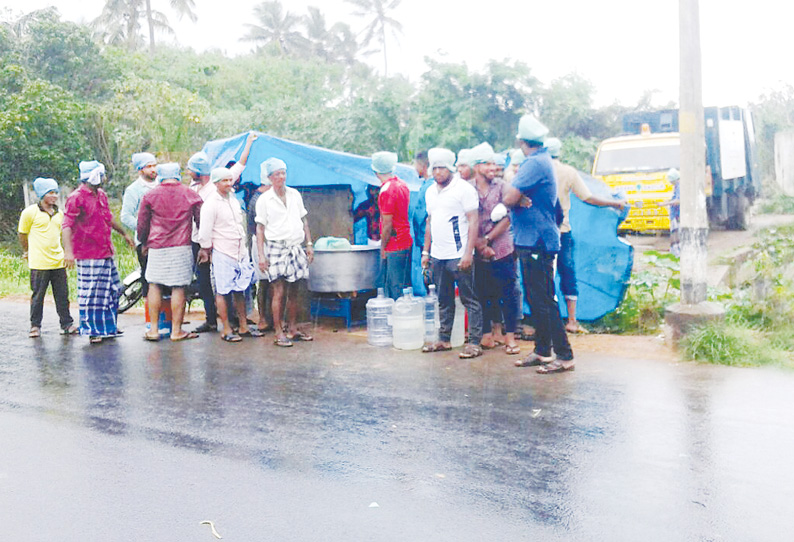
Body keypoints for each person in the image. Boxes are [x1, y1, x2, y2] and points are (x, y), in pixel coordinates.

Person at [503, 115, 574, 374]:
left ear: (521, 142)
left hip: (536, 242)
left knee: (544, 300)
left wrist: (515, 194)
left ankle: (564, 355)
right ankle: (543, 350)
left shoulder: (533, 164)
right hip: (533, 240)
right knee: (536, 297)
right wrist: (518, 196)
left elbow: (509, 198)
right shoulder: (543, 161)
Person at [544, 137, 627, 334]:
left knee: (541, 276)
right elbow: (588, 197)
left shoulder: (534, 171)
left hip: (540, 234)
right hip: (563, 231)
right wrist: (614, 203)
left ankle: (544, 320)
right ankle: (572, 321)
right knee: (568, 273)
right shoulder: (568, 172)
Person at [420, 147, 483, 359]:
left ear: (450, 169)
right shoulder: (430, 191)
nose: (438, 172)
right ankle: (444, 339)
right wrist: (426, 252)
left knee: (469, 299)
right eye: (434, 168)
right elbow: (430, 222)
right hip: (438, 254)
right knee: (443, 298)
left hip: (459, 254)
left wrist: (468, 253)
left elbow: (474, 221)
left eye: (442, 168)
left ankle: (474, 342)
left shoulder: (463, 189)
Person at [62, 160, 135, 344]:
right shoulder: (76, 198)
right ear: (93, 176)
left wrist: (124, 234)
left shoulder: (101, 195)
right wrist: (68, 252)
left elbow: (108, 218)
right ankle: (93, 330)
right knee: (91, 293)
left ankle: (108, 326)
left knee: (111, 290)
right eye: (101, 175)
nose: (104, 178)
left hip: (105, 251)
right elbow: (67, 226)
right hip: (88, 253)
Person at [137, 162, 203, 342]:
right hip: (181, 246)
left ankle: (154, 330)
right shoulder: (190, 194)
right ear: (178, 175)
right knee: (179, 287)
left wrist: (144, 242)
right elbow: (200, 221)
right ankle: (176, 331)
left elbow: (142, 224)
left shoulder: (150, 195)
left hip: (157, 246)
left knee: (154, 285)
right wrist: (203, 245)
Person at [255, 158, 315, 347]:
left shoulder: (295, 194)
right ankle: (278, 331)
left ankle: (293, 328)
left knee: (295, 290)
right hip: (275, 247)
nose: (281, 177)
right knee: (278, 291)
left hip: (295, 246)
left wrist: (309, 244)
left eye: (283, 173)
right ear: (270, 178)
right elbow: (260, 229)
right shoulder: (264, 199)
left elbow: (304, 220)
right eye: (277, 174)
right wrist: (261, 256)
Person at [197, 167, 261, 342]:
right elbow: (205, 232)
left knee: (240, 289)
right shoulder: (211, 204)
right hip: (222, 251)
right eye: (224, 181)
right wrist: (207, 249)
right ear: (216, 183)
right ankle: (225, 328)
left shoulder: (233, 199)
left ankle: (243, 325)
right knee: (223, 291)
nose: (228, 183)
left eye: (229, 180)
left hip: (239, 250)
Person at [469, 142, 521, 355]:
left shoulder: (502, 187)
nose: (493, 168)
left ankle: (510, 337)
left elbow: (509, 217)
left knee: (508, 293)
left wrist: (487, 240)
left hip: (502, 248)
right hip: (477, 250)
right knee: (483, 293)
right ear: (477, 167)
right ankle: (487, 334)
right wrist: (478, 245)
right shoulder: (467, 188)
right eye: (487, 164)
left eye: (494, 164)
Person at [18, 177, 78, 338]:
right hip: (39, 262)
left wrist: (67, 252)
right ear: (42, 194)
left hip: (58, 261)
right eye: (51, 193)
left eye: (56, 192)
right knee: (38, 295)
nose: (54, 196)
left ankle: (66, 323)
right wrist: (27, 251)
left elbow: (65, 234)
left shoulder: (60, 214)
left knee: (62, 295)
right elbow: (22, 234)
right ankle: (35, 325)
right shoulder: (30, 212)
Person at [371, 151, 412, 299]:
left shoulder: (386, 190)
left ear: (375, 171)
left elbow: (387, 224)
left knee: (394, 287)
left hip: (394, 244)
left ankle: (397, 319)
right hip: (405, 241)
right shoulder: (402, 185)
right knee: (405, 285)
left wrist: (383, 247)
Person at [186, 150, 219, 333]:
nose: (189, 173)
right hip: (196, 239)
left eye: (192, 170)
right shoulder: (195, 188)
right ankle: (211, 319)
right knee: (204, 280)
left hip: (210, 241)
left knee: (217, 280)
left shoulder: (212, 192)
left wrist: (207, 246)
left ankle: (227, 318)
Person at [121, 152, 158, 297]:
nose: (153, 169)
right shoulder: (134, 190)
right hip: (145, 241)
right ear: (140, 170)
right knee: (148, 280)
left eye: (154, 165)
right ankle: (151, 317)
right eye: (149, 166)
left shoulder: (162, 183)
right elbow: (125, 216)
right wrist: (144, 228)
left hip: (165, 241)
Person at [248, 164, 274, 334]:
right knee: (265, 282)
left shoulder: (268, 196)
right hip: (262, 244)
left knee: (272, 283)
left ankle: (271, 318)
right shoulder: (259, 199)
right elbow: (259, 227)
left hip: (270, 243)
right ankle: (264, 318)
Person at [658, 168, 681, 257]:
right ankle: (674, 252)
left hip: (676, 214)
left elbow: (678, 201)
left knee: (676, 233)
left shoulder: (679, 186)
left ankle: (677, 253)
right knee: (674, 232)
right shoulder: (676, 187)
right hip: (675, 214)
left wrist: (665, 203)